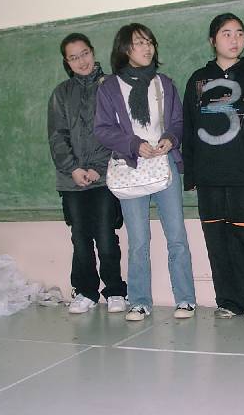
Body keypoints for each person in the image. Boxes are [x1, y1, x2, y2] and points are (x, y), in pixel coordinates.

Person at [94, 23, 196, 321]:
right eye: (139, 42)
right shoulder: (110, 87)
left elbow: (178, 122)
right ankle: (139, 301)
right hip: (131, 166)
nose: (147, 47)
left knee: (177, 235)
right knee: (138, 240)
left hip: (164, 164)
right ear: (125, 49)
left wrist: (171, 139)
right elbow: (103, 129)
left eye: (149, 42)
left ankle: (185, 299)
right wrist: (134, 144)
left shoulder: (164, 83)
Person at [183, 13, 244, 322]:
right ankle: (228, 300)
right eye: (226, 33)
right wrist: (192, 175)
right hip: (210, 177)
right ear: (212, 40)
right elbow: (188, 130)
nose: (234, 39)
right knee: (217, 240)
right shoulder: (198, 80)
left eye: (239, 33)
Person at [48, 33, 128, 314]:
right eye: (73, 58)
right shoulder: (61, 93)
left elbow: (118, 132)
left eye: (84, 54)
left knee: (106, 237)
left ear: (93, 52)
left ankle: (115, 291)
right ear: (67, 62)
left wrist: (97, 169)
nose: (81, 61)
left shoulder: (111, 87)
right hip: (71, 181)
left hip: (105, 178)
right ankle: (86, 292)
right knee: (80, 239)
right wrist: (74, 169)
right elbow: (57, 137)